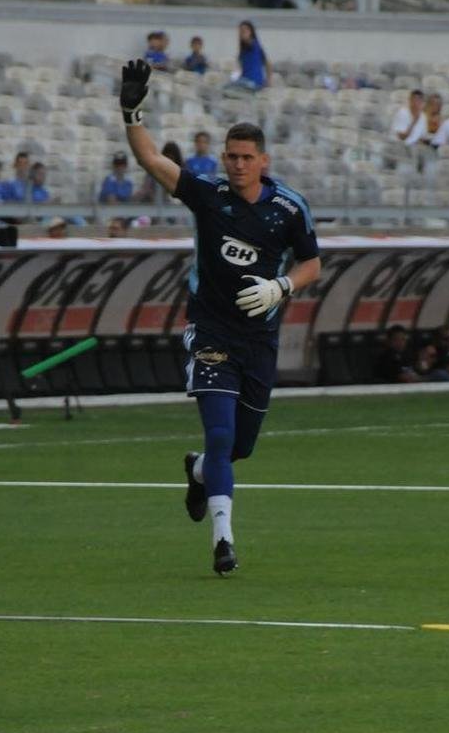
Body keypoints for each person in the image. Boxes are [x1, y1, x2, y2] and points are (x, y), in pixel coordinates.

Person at [120, 59, 321, 575]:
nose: (236, 165)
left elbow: (312, 264)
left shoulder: (290, 208)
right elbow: (150, 159)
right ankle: (224, 541)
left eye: (246, 157)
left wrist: (281, 286)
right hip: (210, 332)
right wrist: (131, 112)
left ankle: (198, 472)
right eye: (231, 156)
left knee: (240, 447)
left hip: (259, 340)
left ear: (263, 161)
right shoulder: (208, 196)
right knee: (220, 436)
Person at [229, 21, 270, 92]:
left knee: (227, 87)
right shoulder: (243, 49)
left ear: (251, 32)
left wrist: (268, 81)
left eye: (244, 30)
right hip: (245, 80)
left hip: (253, 82)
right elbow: (240, 66)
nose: (242, 33)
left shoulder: (254, 44)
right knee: (229, 83)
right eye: (240, 31)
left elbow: (268, 64)